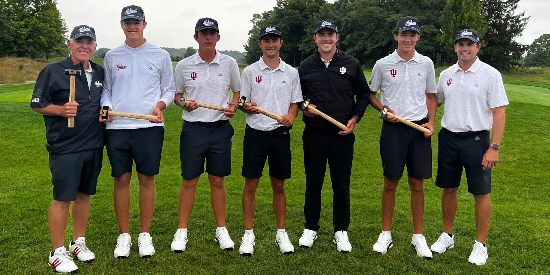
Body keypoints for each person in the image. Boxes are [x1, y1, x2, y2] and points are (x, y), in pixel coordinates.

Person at [100, 5, 175, 259]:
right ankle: (124, 236)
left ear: (144, 24)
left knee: (146, 179)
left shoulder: (160, 54)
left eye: (137, 22)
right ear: (122, 25)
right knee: (121, 180)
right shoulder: (111, 56)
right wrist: (106, 107)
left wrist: (160, 105)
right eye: (128, 22)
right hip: (117, 127)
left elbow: (169, 89)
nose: (132, 27)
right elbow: (106, 90)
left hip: (149, 126)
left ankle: (144, 234)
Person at [430, 29, 508, 266]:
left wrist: (494, 147)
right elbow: (435, 101)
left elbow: (499, 112)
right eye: (461, 44)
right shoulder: (446, 75)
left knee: (480, 192)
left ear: (478, 47)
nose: (465, 48)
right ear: (455, 47)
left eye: (469, 44)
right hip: (449, 138)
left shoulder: (490, 75)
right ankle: (447, 235)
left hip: (477, 140)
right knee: (448, 187)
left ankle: (480, 244)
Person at [31, 25, 104, 273]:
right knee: (63, 198)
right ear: (69, 43)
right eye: (79, 41)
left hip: (93, 144)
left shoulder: (100, 72)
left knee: (84, 195)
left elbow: (102, 102)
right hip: (65, 146)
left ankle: (78, 242)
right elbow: (37, 104)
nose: (85, 46)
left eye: (89, 42)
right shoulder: (53, 71)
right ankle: (57, 251)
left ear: (95, 46)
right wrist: (60, 110)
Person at [297, 20, 370, 253]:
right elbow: (298, 98)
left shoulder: (351, 63)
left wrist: (355, 117)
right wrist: (304, 107)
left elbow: (364, 94)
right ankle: (311, 228)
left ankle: (341, 230)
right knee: (313, 183)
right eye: (322, 34)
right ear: (315, 38)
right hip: (315, 135)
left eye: (330, 34)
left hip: (342, 135)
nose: (326, 38)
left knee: (341, 184)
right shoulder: (306, 66)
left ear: (337, 37)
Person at [368, 16, 437, 259]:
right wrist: (383, 110)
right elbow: (371, 94)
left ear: (418, 37)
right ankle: (386, 233)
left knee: (417, 184)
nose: (407, 39)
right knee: (390, 182)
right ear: (395, 36)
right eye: (403, 34)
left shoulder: (426, 63)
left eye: (412, 35)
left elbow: (431, 95)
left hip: (418, 130)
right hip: (393, 130)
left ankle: (418, 236)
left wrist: (431, 121)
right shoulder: (383, 64)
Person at [171, 17, 240, 252]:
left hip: (220, 129)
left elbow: (237, 92)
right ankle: (181, 231)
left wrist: (233, 106)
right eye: (204, 33)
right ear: (196, 38)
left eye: (212, 33)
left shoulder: (229, 63)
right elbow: (177, 96)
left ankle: (221, 230)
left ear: (218, 37)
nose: (208, 37)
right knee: (189, 181)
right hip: (193, 130)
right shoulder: (184, 65)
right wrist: (183, 104)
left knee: (217, 180)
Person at [237, 25, 303, 256]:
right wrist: (246, 107)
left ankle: (281, 232)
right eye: (266, 40)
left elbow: (295, 103)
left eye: (274, 39)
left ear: (281, 42)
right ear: (260, 44)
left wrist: (291, 116)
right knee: (251, 184)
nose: (270, 44)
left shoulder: (291, 73)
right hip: (255, 133)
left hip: (279, 134)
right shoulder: (249, 71)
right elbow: (242, 102)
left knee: (278, 185)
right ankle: (248, 233)